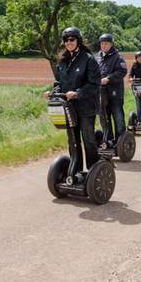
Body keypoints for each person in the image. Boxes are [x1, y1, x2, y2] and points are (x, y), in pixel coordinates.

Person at [49, 27, 101, 183]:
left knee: (88, 139)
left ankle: (93, 174)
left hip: (86, 107)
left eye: (72, 39)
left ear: (78, 40)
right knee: (72, 140)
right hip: (69, 107)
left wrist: (77, 93)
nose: (68, 42)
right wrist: (53, 92)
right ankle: (76, 172)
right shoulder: (63, 61)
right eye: (66, 40)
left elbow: (94, 83)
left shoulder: (88, 59)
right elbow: (59, 82)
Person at [96, 33, 128, 144]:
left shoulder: (118, 58)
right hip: (101, 94)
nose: (103, 46)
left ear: (111, 44)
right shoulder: (97, 57)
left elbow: (122, 71)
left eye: (106, 44)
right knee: (104, 119)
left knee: (118, 118)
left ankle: (121, 143)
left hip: (115, 94)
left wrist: (108, 79)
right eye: (102, 44)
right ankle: (108, 142)